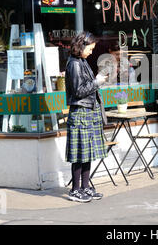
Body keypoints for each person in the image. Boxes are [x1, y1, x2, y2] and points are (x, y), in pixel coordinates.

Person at [65, 31, 109, 202]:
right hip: (81, 113)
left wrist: (96, 81)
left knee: (87, 152)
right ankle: (75, 190)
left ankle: (85, 187)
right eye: (90, 48)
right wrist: (97, 82)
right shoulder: (74, 64)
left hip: (88, 112)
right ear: (81, 46)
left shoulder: (81, 61)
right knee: (79, 154)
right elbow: (78, 91)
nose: (91, 52)